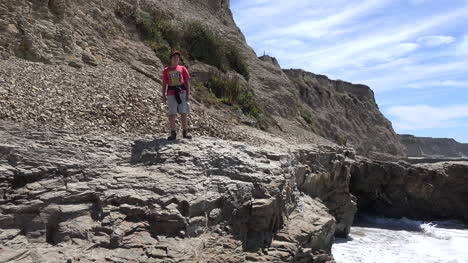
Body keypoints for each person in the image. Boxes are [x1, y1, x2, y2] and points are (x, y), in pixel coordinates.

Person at [161, 51, 192, 140]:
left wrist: (188, 93)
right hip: (171, 93)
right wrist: (163, 95)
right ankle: (173, 132)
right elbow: (164, 83)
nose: (176, 59)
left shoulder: (182, 68)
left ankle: (185, 132)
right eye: (174, 57)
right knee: (172, 113)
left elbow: (187, 82)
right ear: (171, 58)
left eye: (177, 57)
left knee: (183, 112)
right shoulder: (166, 70)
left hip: (182, 92)